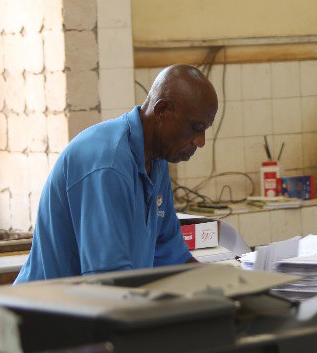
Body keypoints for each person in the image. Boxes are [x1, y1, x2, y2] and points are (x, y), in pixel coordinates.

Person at [15, 65, 218, 283]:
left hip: (100, 299)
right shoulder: (108, 164)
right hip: (50, 303)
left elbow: (172, 257)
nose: (201, 141)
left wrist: (226, 286)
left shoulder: (156, 161)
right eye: (196, 128)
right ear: (162, 111)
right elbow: (109, 279)